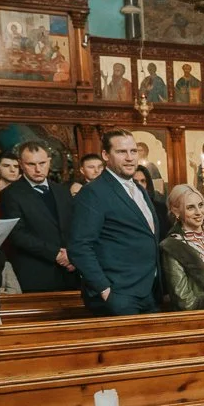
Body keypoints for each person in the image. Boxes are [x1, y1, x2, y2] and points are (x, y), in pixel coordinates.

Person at [68, 130, 162, 315]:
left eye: (133, 151)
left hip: (149, 291)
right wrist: (105, 290)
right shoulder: (93, 192)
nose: (129, 158)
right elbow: (79, 247)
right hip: (118, 295)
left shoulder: (139, 190)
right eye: (121, 152)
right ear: (105, 155)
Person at [0, 140, 79, 292]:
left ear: (49, 161)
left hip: (71, 270)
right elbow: (17, 234)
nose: (38, 169)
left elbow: (75, 227)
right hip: (37, 273)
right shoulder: (11, 194)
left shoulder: (62, 191)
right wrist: (56, 254)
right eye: (31, 164)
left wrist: (72, 256)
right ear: (21, 164)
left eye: (42, 163)